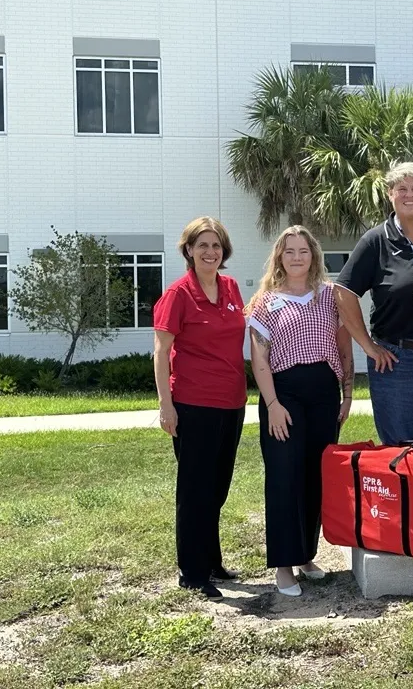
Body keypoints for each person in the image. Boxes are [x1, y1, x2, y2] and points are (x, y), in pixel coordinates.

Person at [247, 226, 354, 597]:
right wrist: (272, 404)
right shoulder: (265, 301)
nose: (296, 257)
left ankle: (306, 554)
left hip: (324, 393)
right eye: (289, 251)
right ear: (279, 256)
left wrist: (347, 395)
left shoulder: (330, 296)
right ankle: (284, 565)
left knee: (315, 475)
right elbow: (259, 359)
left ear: (313, 256)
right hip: (284, 395)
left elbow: (344, 347)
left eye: (303, 251)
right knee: (285, 476)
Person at [153, 217, 247, 600]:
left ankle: (211, 561)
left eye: (216, 245)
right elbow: (161, 353)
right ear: (189, 250)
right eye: (203, 245)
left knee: (217, 487)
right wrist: (166, 405)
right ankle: (192, 572)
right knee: (195, 490)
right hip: (193, 405)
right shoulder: (178, 294)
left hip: (233, 402)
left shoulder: (231, 287)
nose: (210, 252)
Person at [334, 162, 413, 445]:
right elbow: (343, 291)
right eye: (401, 189)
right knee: (402, 450)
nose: (409, 195)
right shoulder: (376, 240)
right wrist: (368, 346)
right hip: (399, 363)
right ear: (390, 194)